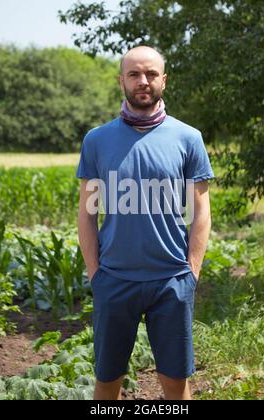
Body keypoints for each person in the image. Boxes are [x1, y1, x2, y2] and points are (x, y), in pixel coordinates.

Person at [76, 46, 215, 400]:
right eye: (135, 74)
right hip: (115, 280)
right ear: (121, 79)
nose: (143, 81)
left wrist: (191, 273)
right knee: (107, 381)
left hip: (171, 282)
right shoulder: (97, 140)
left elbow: (201, 212)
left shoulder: (188, 138)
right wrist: (97, 274)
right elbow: (87, 213)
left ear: (163, 81)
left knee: (175, 382)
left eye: (151, 74)